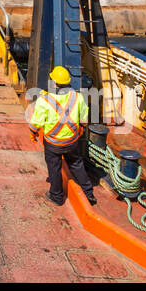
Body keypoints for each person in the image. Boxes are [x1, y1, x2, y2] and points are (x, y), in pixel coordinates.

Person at [29, 66, 96, 207]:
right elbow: (84, 117)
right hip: (72, 141)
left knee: (54, 167)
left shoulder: (44, 100)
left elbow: (37, 122)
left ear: (54, 83)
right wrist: (82, 128)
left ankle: (56, 196)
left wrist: (33, 132)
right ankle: (89, 193)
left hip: (53, 143)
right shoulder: (77, 97)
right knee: (76, 164)